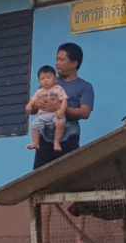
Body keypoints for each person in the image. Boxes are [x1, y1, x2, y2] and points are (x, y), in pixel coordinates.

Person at [33, 41, 94, 169]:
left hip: (69, 138)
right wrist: (36, 105)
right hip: (45, 137)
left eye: (61, 60)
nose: (57, 63)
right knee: (40, 175)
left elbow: (85, 113)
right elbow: (34, 109)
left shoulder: (85, 87)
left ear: (74, 63)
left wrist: (61, 108)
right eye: (57, 59)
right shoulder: (49, 82)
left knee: (68, 173)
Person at [25, 65, 67, 152]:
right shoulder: (39, 91)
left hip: (56, 113)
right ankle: (35, 142)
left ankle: (56, 142)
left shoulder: (58, 89)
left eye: (48, 77)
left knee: (61, 122)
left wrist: (62, 110)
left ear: (55, 79)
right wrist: (29, 105)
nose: (45, 80)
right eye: (42, 79)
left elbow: (64, 100)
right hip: (43, 115)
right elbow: (33, 100)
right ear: (39, 81)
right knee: (34, 125)